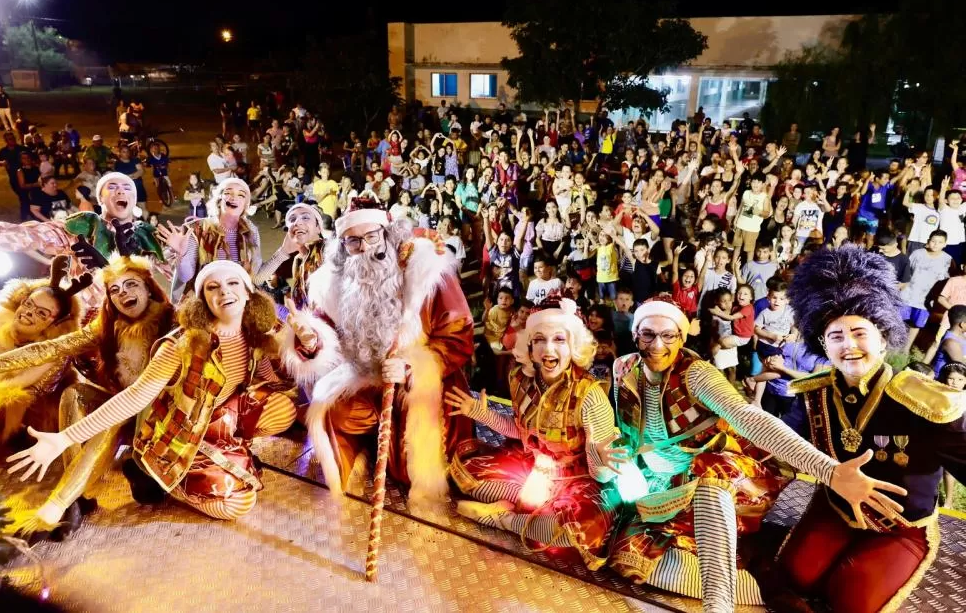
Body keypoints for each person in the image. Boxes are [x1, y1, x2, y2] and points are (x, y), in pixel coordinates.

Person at [608, 297, 897, 612]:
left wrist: (829, 471)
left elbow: (751, 418)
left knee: (711, 473)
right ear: (636, 334)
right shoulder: (623, 367)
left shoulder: (696, 374)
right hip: (659, 485)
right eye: (648, 334)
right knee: (624, 556)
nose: (657, 345)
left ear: (682, 337)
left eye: (668, 335)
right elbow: (623, 429)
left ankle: (719, 603)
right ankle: (737, 581)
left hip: (723, 481)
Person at [749, 245, 966, 613]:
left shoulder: (928, 402)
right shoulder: (814, 394)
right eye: (836, 336)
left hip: (900, 527)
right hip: (833, 510)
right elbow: (781, 448)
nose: (848, 345)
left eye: (859, 333)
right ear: (823, 344)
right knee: (793, 578)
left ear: (882, 338)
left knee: (852, 600)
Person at [6, 261, 297, 522]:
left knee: (283, 409)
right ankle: (163, 480)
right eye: (213, 287)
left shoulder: (255, 331)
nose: (224, 292)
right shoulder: (181, 343)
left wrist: (304, 345)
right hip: (178, 428)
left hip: (221, 415)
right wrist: (65, 438)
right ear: (203, 300)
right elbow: (135, 395)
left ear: (248, 292)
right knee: (238, 506)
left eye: (233, 283)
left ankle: (226, 450)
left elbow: (274, 379)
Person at [278, 198, 474, 502]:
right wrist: (310, 340)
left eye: (372, 237)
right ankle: (359, 456)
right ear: (343, 246)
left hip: (424, 381)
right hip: (367, 378)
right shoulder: (332, 283)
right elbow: (323, 330)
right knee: (333, 412)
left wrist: (412, 367)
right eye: (354, 241)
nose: (365, 247)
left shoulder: (428, 272)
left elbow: (458, 335)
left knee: (413, 469)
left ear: (388, 234)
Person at [0, 255, 175, 540]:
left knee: (113, 415)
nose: (122, 293)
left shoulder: (174, 323)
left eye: (131, 284)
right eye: (114, 290)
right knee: (74, 393)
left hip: (162, 418)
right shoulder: (106, 325)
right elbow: (51, 348)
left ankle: (61, 502)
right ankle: (77, 498)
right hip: (122, 407)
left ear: (149, 288)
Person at [447, 296, 623, 571]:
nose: (548, 348)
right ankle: (524, 511)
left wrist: (597, 457)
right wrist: (481, 414)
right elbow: (521, 432)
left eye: (559, 340)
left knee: (578, 533)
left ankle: (501, 519)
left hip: (580, 483)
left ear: (574, 345)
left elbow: (601, 475)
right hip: (534, 469)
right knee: (469, 471)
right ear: (529, 345)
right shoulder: (521, 379)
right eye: (539, 339)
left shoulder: (590, 395)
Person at [0, 173, 172, 301]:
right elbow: (25, 235)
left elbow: (176, 279)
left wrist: (183, 250)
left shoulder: (149, 235)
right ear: (100, 199)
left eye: (127, 188)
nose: (121, 191)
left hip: (137, 322)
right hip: (91, 322)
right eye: (112, 187)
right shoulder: (82, 227)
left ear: (134, 199)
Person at [0, 257, 90, 456]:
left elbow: (32, 396)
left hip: (12, 422)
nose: (28, 313)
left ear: (55, 324)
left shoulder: (54, 356)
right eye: (28, 304)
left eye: (42, 313)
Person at [157, 178, 264, 300]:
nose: (234, 197)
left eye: (241, 195)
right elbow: (186, 276)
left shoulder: (251, 231)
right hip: (204, 302)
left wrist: (284, 251)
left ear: (246, 205)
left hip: (236, 303)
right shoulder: (196, 229)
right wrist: (182, 255)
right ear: (219, 199)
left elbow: (256, 276)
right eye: (228, 193)